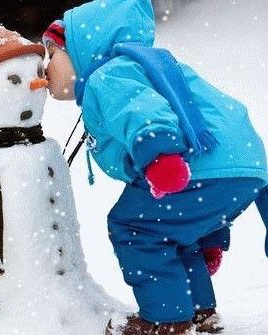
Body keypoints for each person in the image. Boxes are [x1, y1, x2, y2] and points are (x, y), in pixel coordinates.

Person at [42, 1, 268, 334]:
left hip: (197, 166)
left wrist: (160, 155)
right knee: (172, 233)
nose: (46, 67)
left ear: (82, 50)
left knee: (136, 227)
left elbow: (143, 110)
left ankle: (167, 318)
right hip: (243, 165)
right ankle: (198, 310)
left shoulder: (110, 75)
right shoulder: (146, 67)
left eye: (52, 55)